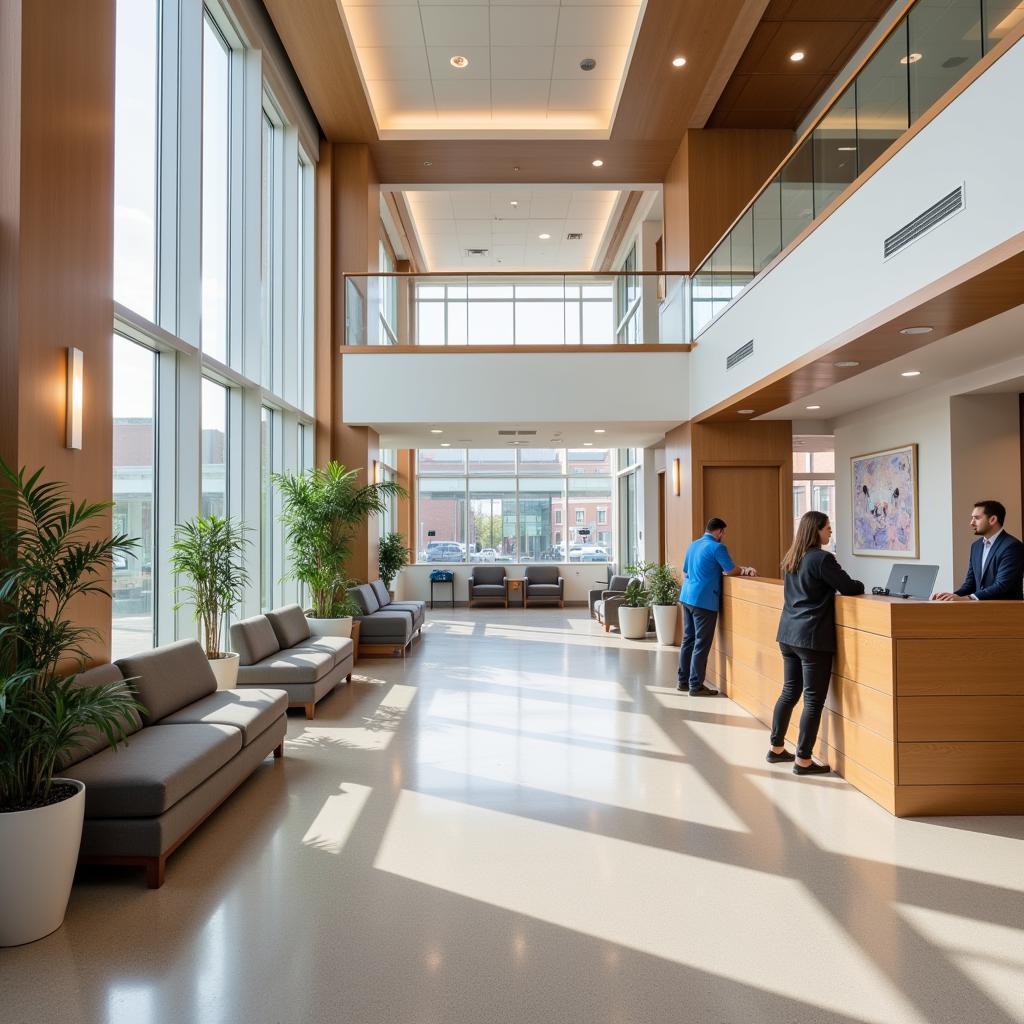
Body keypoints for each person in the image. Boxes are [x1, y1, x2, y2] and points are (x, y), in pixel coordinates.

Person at [769, 511, 864, 775]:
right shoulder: (822, 559)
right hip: (811, 637)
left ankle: (776, 748)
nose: (830, 532)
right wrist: (860, 583)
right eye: (828, 528)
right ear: (817, 530)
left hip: (788, 634)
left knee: (789, 692)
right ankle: (803, 760)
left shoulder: (792, 557)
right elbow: (850, 587)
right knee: (813, 700)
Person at [677, 517, 756, 696]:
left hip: (687, 597)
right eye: (724, 533)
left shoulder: (693, 545)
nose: (724, 536)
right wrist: (745, 570)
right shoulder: (718, 547)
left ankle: (683, 681)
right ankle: (695, 685)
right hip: (704, 601)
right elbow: (730, 570)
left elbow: (687, 570)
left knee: (688, 640)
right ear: (719, 531)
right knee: (701, 643)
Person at [931, 500, 1024, 601]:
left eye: (976, 518)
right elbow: (970, 584)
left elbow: (1002, 585)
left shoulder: (1012, 546)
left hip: (1007, 611)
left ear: (992, 519)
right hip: (980, 610)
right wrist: (951, 596)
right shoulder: (976, 546)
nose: (972, 523)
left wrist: (970, 598)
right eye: (972, 518)